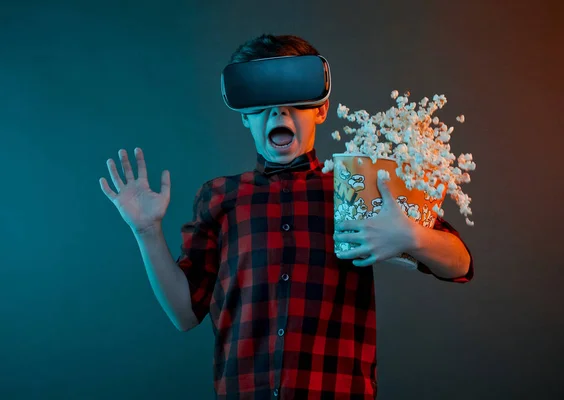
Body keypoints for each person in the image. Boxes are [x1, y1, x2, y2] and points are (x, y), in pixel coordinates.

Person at [99, 34, 473, 400]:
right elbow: (184, 313)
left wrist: (413, 238)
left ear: (321, 110)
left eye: (295, 101)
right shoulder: (220, 197)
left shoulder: (358, 186)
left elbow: (459, 264)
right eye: (263, 104)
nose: (279, 112)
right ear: (246, 117)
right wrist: (147, 231)